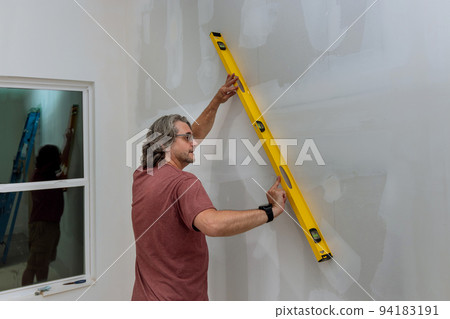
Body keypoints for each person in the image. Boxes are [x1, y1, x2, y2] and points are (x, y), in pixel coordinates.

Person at [131, 74, 287, 301]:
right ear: (165, 143)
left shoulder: (142, 175)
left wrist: (216, 102)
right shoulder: (184, 184)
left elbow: (194, 134)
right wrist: (270, 211)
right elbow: (212, 225)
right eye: (187, 138)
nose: (194, 142)